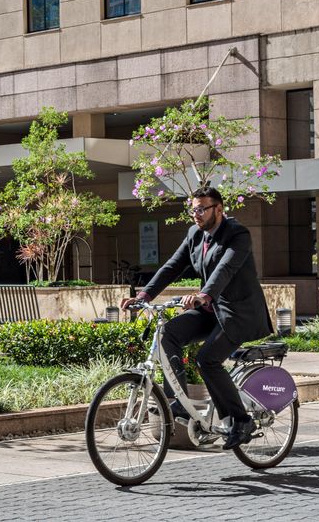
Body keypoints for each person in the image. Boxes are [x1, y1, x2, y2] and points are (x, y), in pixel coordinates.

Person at [121, 186, 272, 450]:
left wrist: (204, 294)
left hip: (238, 313)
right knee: (168, 334)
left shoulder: (237, 235)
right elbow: (172, 266)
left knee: (207, 359)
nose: (196, 214)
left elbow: (225, 270)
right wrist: (143, 296)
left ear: (219, 209)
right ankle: (178, 402)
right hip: (211, 310)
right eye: (193, 209)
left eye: (201, 209)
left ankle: (241, 419)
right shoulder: (195, 234)